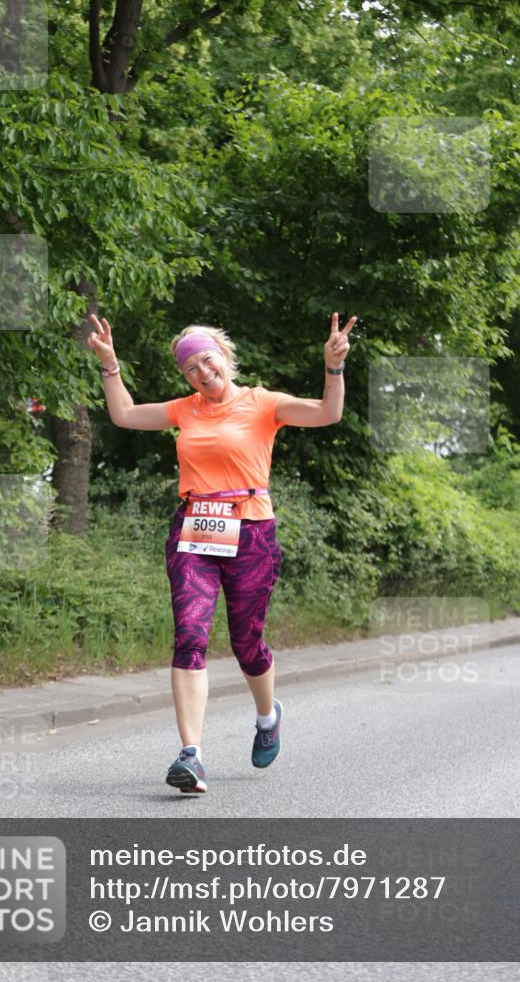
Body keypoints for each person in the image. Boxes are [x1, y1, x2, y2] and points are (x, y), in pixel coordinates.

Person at [88, 310, 356, 794]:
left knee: (246, 643)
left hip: (251, 533)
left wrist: (332, 367)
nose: (201, 373)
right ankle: (190, 755)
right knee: (189, 634)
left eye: (206, 361)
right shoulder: (183, 410)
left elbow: (327, 414)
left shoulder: (263, 403)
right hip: (194, 532)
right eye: (190, 368)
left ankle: (267, 714)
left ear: (224, 357)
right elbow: (124, 415)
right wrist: (110, 365)